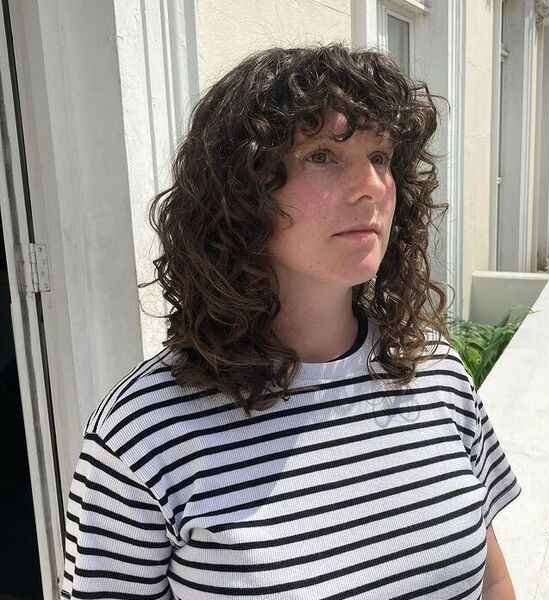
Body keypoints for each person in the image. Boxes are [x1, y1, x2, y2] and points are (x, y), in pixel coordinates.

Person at [60, 43, 521, 600]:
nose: (372, 186)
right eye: (323, 154)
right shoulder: (144, 433)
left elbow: (492, 578)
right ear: (240, 194)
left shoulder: (437, 371)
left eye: (380, 157)